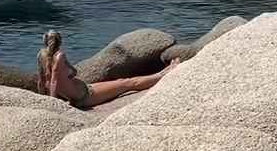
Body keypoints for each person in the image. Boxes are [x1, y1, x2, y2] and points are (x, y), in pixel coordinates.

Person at [36, 30, 179, 109]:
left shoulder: (41, 56)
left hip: (82, 91)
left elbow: (42, 80)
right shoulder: (60, 56)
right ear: (59, 41)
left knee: (121, 82)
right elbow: (55, 77)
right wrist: (53, 103)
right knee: (127, 83)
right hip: (85, 96)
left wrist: (44, 98)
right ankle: (164, 75)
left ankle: (162, 72)